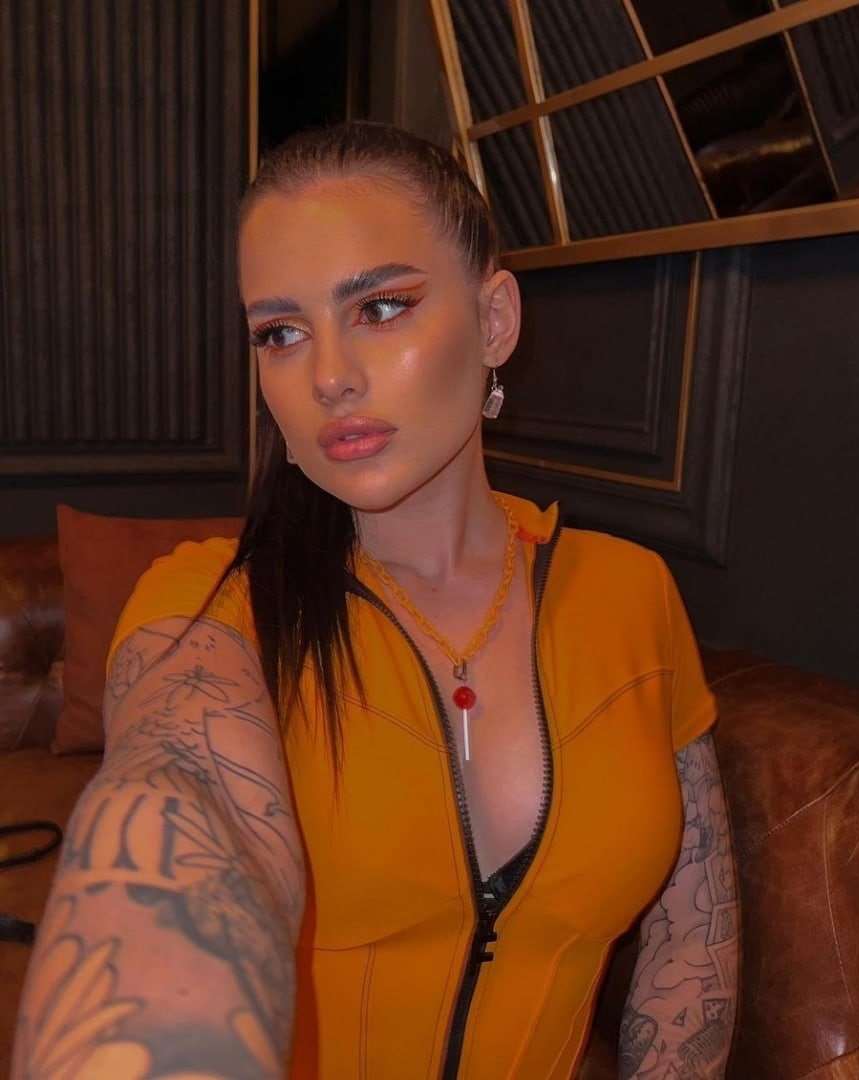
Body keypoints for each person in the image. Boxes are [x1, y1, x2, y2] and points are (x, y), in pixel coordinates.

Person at [13, 122, 739, 1080]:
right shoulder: (210, 604)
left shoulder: (630, 590)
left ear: (494, 321)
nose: (328, 377)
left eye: (381, 307)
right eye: (280, 333)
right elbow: (179, 800)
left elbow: (692, 926)